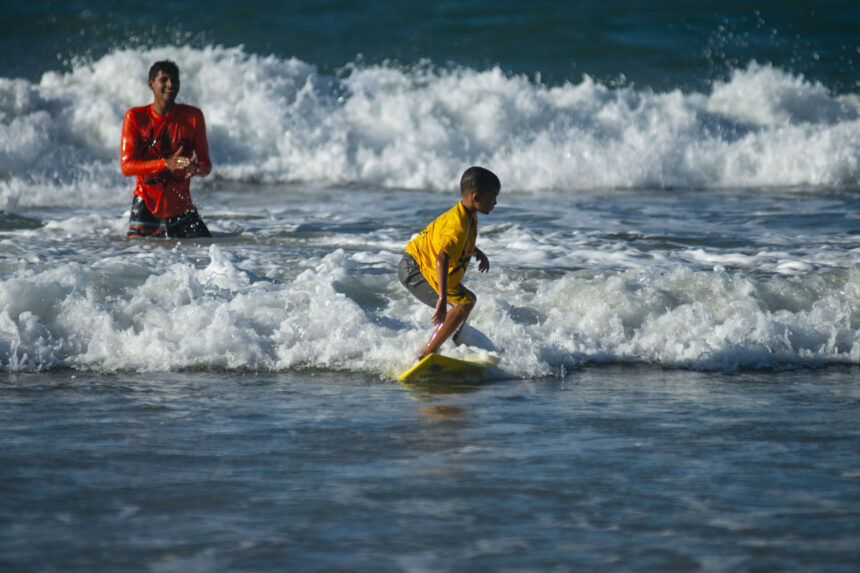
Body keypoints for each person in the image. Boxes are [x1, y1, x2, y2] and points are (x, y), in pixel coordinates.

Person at [398, 166, 500, 358]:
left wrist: (476, 252)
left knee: (467, 301)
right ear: (476, 197)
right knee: (461, 304)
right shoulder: (458, 225)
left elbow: (451, 242)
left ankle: (451, 343)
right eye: (492, 197)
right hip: (415, 268)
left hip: (423, 263)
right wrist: (442, 299)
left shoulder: (469, 215)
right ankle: (427, 353)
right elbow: (442, 257)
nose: (495, 202)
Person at [121, 60, 212, 238]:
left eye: (174, 80)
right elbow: (127, 167)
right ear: (151, 85)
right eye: (164, 80)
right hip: (146, 206)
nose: (170, 85)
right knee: (135, 260)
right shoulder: (135, 117)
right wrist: (165, 164)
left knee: (209, 252)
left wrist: (196, 170)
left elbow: (206, 165)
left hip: (182, 208)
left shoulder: (193, 117)